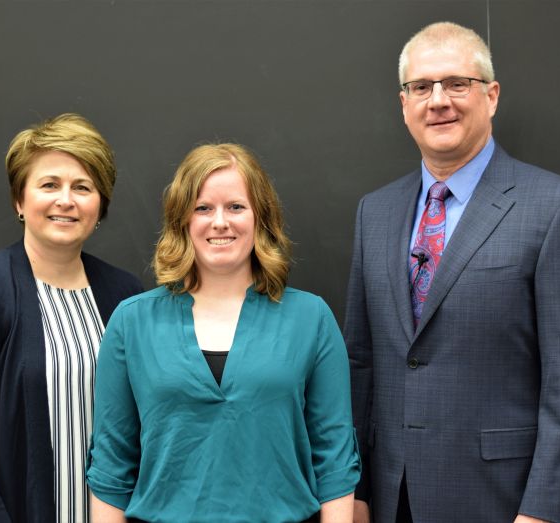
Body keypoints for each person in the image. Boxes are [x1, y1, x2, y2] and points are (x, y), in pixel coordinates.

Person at [344, 22, 560, 523]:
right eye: (421, 87)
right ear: (404, 104)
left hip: (507, 503)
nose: (438, 100)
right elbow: (361, 363)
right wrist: (355, 493)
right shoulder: (374, 213)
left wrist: (545, 512)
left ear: (491, 96)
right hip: (392, 497)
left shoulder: (558, 208)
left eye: (456, 84)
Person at [86, 143, 360, 523]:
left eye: (235, 206)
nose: (220, 222)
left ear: (260, 218)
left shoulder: (310, 318)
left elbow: (334, 459)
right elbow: (111, 465)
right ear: (182, 220)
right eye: (203, 208)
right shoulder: (132, 322)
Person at [0, 113, 144, 523]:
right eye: (49, 185)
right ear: (19, 200)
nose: (66, 199)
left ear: (100, 205)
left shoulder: (126, 297)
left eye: (83, 187)